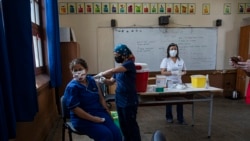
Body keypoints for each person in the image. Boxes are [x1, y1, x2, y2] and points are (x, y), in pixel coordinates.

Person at [63, 58, 122, 141]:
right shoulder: (72, 87)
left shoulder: (92, 80)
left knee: (116, 133)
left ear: (86, 70)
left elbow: (101, 99)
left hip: (99, 113)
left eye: (80, 69)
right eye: (75, 70)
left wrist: (108, 113)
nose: (78, 72)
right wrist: (94, 119)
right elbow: (75, 109)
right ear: (72, 72)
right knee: (106, 135)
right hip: (82, 119)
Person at [94, 44, 141, 141]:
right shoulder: (120, 68)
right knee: (123, 124)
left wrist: (101, 74)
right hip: (119, 99)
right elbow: (111, 82)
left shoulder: (129, 64)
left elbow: (112, 71)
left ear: (124, 54)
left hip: (129, 100)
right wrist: (103, 80)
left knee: (131, 125)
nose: (116, 57)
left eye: (117, 54)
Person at [160, 43, 187, 125]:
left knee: (180, 101)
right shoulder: (166, 60)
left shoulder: (181, 60)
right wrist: (172, 73)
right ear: (168, 50)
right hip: (169, 83)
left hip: (179, 83)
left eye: (175, 49)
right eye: (171, 49)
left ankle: (180, 118)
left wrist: (182, 73)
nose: (173, 50)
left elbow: (185, 71)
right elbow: (162, 72)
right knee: (169, 101)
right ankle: (169, 117)